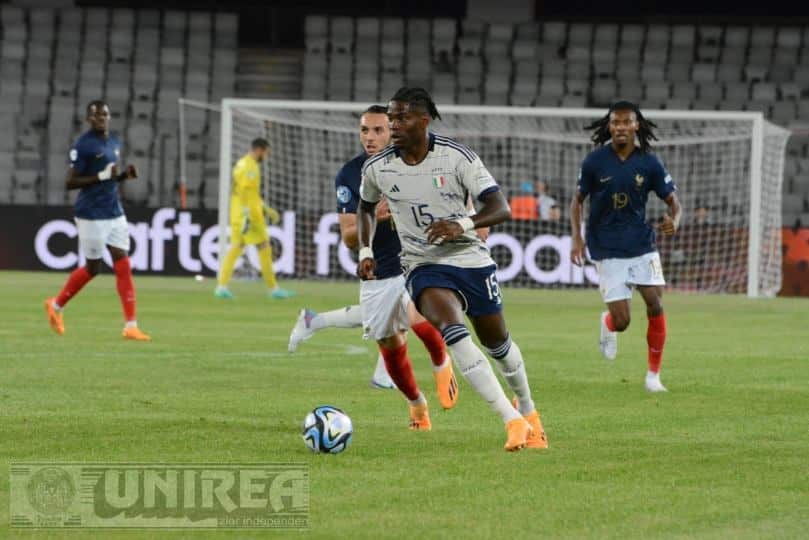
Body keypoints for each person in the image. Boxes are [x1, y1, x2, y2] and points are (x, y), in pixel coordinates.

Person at [358, 87, 548, 451]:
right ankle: (512, 423)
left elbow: (500, 207)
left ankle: (528, 410)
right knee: (452, 330)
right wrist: (366, 249)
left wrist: (460, 225)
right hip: (422, 264)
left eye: (402, 117)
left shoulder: (457, 158)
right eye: (391, 117)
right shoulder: (378, 167)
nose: (394, 125)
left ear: (424, 121)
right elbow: (366, 207)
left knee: (498, 345)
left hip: (470, 259)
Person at [288, 106, 460, 409]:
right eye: (365, 130)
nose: (370, 137)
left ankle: (441, 363)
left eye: (378, 130)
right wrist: (375, 215)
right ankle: (417, 405)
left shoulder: (414, 159)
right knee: (388, 339)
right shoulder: (350, 175)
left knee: (422, 316)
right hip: (380, 269)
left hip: (417, 259)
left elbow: (451, 180)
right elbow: (348, 236)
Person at [569, 100, 682, 393]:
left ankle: (653, 377)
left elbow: (673, 202)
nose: (620, 128)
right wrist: (577, 238)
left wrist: (676, 219)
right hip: (606, 246)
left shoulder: (650, 162)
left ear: (636, 125)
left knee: (655, 303)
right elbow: (577, 202)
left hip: (641, 243)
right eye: (615, 123)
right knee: (623, 322)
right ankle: (608, 323)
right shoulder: (595, 162)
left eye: (626, 122)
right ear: (610, 126)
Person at [44, 100, 150, 341]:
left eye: (105, 114)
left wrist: (123, 176)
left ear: (109, 117)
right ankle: (56, 305)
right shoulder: (83, 146)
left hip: (114, 211)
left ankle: (131, 326)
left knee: (122, 262)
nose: (101, 118)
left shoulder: (114, 141)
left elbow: (108, 177)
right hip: (91, 214)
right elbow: (70, 183)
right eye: (96, 115)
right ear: (88, 119)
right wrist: (102, 175)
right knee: (94, 269)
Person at [214, 138, 294, 299]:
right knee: (264, 248)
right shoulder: (250, 167)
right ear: (259, 150)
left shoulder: (241, 163)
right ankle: (274, 289)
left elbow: (249, 194)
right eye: (266, 152)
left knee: (235, 248)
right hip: (250, 216)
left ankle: (221, 286)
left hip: (237, 213)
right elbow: (245, 192)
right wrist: (247, 215)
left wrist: (266, 209)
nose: (266, 156)